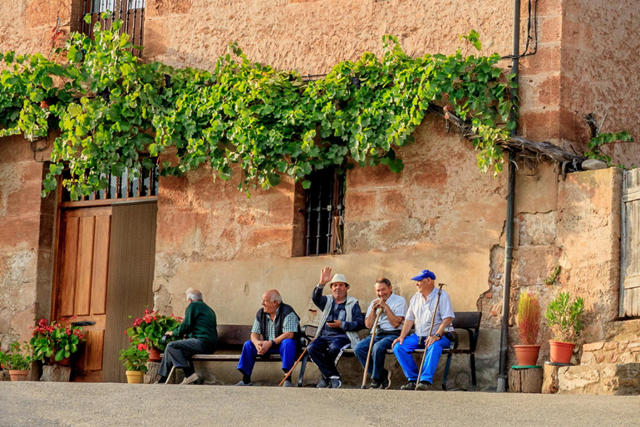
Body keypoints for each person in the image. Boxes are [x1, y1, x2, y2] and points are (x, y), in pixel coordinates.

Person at [392, 269, 455, 390]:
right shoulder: (416, 297)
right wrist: (402, 336)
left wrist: (436, 335)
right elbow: (409, 319)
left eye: (419, 281)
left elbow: (447, 319)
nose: (416, 284)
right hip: (419, 336)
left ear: (429, 281)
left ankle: (425, 380)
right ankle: (413, 379)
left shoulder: (442, 295)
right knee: (399, 346)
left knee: (434, 346)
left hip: (440, 336)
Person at [307, 266, 365, 389]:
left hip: (343, 337)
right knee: (312, 348)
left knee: (334, 348)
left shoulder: (353, 303)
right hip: (325, 336)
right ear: (331, 288)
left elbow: (360, 323)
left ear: (346, 288)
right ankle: (333, 376)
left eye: (341, 285)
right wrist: (322, 283)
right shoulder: (327, 301)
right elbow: (315, 298)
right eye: (334, 285)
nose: (337, 288)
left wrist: (342, 324)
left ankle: (325, 378)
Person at [235, 290, 301, 387]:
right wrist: (257, 343)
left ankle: (287, 378)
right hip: (268, 346)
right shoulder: (261, 313)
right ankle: (246, 380)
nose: (262, 303)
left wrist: (270, 343)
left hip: (283, 346)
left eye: (265, 301)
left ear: (275, 303)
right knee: (248, 344)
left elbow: (289, 334)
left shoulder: (288, 311)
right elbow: (254, 334)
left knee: (287, 342)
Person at [354, 277, 407, 389]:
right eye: (378, 291)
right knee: (358, 348)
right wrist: (373, 310)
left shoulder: (400, 301)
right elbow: (368, 325)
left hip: (393, 334)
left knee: (377, 348)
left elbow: (396, 323)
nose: (381, 293)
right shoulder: (374, 302)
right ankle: (381, 374)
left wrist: (386, 307)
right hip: (377, 334)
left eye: (383, 290)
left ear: (390, 288)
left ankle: (376, 379)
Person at [157, 289, 218, 385]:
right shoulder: (209, 309)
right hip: (210, 345)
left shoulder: (193, 306)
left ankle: (189, 374)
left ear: (189, 300)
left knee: (171, 345)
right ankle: (163, 379)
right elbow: (197, 327)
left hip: (202, 342)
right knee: (172, 348)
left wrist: (173, 333)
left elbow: (186, 325)